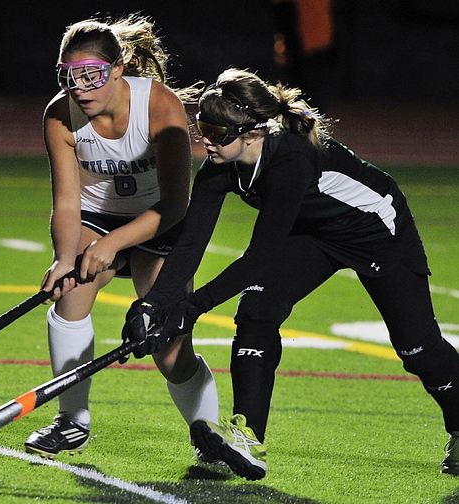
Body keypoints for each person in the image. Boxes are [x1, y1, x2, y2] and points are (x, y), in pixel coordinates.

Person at [121, 67, 459, 480]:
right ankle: (248, 440)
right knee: (256, 312)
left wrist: (191, 307)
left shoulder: (292, 159)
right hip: (309, 233)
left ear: (253, 133)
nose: (206, 138)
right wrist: (153, 304)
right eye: (203, 126)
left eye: (218, 131)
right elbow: (190, 243)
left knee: (417, 349)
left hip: (376, 234)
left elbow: (260, 255)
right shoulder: (218, 168)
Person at [24, 14, 219, 460]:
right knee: (69, 297)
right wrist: (64, 258)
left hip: (159, 220)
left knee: (169, 350)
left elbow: (175, 205)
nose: (81, 88)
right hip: (97, 214)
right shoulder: (60, 115)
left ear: (117, 68)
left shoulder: (160, 106)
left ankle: (209, 436)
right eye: (70, 77)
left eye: (92, 75)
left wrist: (112, 246)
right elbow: (69, 203)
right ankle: (72, 422)